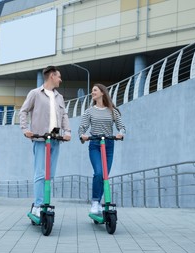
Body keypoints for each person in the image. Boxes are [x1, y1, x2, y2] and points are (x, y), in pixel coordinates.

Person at [19, 65, 71, 217]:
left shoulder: (59, 97)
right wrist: (25, 129)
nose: (60, 80)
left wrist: (67, 132)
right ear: (52, 76)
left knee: (51, 175)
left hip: (55, 140)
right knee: (41, 174)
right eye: (59, 77)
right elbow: (23, 111)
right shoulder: (35, 93)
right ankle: (38, 205)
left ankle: (45, 204)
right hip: (40, 140)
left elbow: (64, 116)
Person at [78, 83, 126, 214]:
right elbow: (82, 128)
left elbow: (121, 126)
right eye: (92, 91)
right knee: (98, 173)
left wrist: (121, 134)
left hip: (109, 145)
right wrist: (83, 136)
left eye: (95, 90)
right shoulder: (89, 111)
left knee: (105, 176)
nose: (92, 92)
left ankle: (99, 202)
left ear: (102, 93)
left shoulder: (112, 111)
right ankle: (95, 202)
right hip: (95, 144)